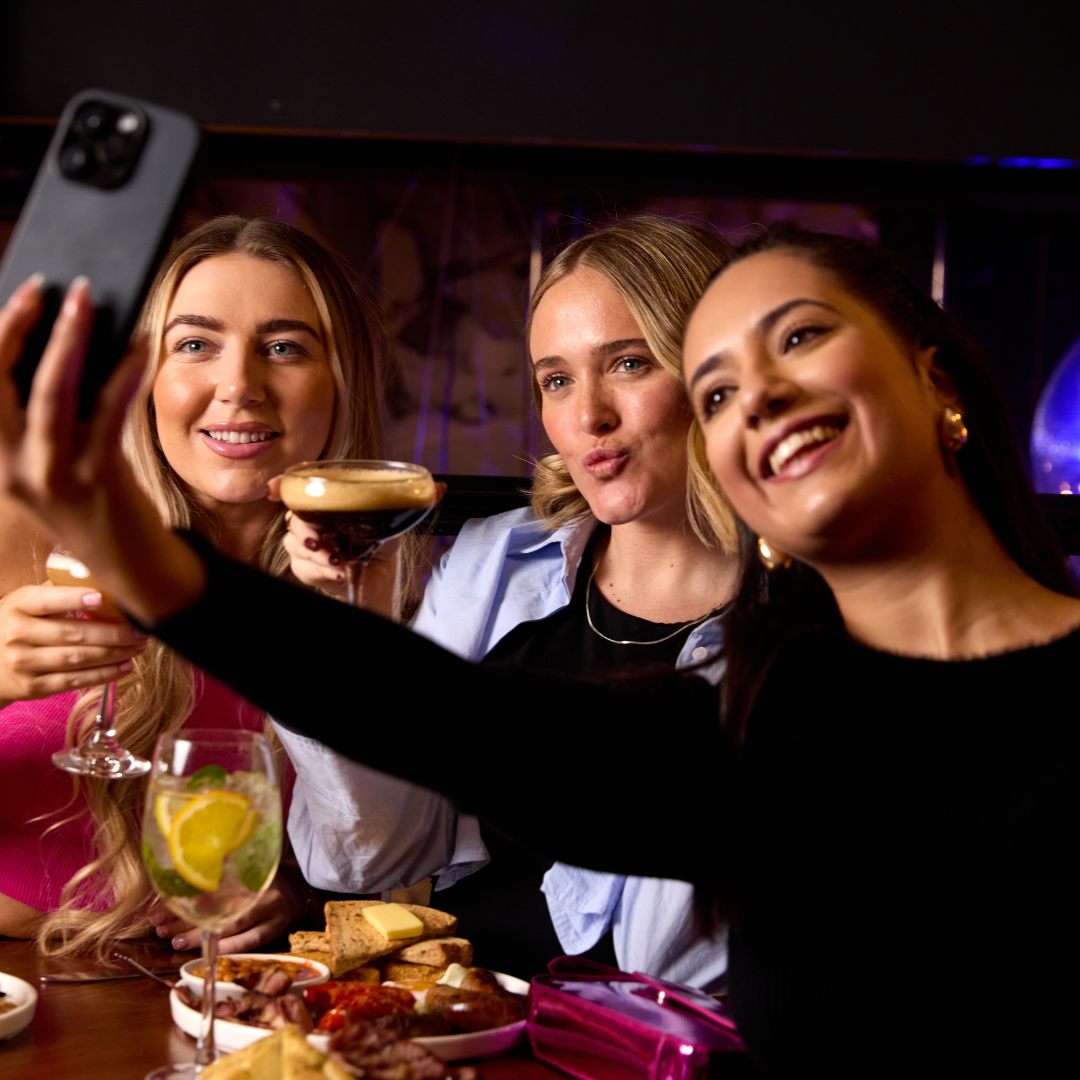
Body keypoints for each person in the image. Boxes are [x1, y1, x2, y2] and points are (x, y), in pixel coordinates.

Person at [4, 226, 1079, 1078]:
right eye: (715, 389)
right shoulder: (777, 718)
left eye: (798, 338)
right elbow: (452, 723)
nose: (754, 396)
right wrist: (135, 547)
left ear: (937, 380)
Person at [280, 215, 739, 982]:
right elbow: (369, 855)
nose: (586, 416)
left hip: (656, 1041)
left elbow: (675, 960)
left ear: (721, 375)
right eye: (557, 380)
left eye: (628, 363)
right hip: (460, 1018)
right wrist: (344, 636)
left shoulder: (809, 621)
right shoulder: (496, 565)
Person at [0, 215, 394, 958]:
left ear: (341, 382)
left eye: (284, 348)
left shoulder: (380, 588)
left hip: (193, 996)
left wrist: (297, 893)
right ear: (144, 377)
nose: (238, 386)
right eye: (194, 345)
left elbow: (390, 848)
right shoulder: (25, 522)